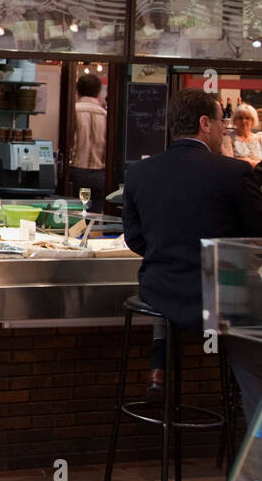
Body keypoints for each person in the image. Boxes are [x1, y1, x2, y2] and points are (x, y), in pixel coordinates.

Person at [123, 89, 262, 424]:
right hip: (223, 299)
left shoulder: (140, 173)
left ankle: (160, 366)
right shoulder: (233, 173)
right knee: (256, 371)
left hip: (160, 292)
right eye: (220, 122)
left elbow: (135, 238)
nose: (225, 129)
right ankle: (255, 457)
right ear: (204, 124)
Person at [71, 72, 107, 215]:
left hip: (76, 172)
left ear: (77, 90)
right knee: (95, 217)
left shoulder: (73, 111)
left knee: (75, 217)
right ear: (98, 92)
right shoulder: (105, 115)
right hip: (99, 174)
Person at [227, 103, 262, 168]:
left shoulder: (259, 138)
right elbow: (228, 162)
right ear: (234, 120)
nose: (243, 121)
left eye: (247, 118)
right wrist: (255, 163)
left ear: (253, 121)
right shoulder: (228, 138)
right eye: (240, 118)